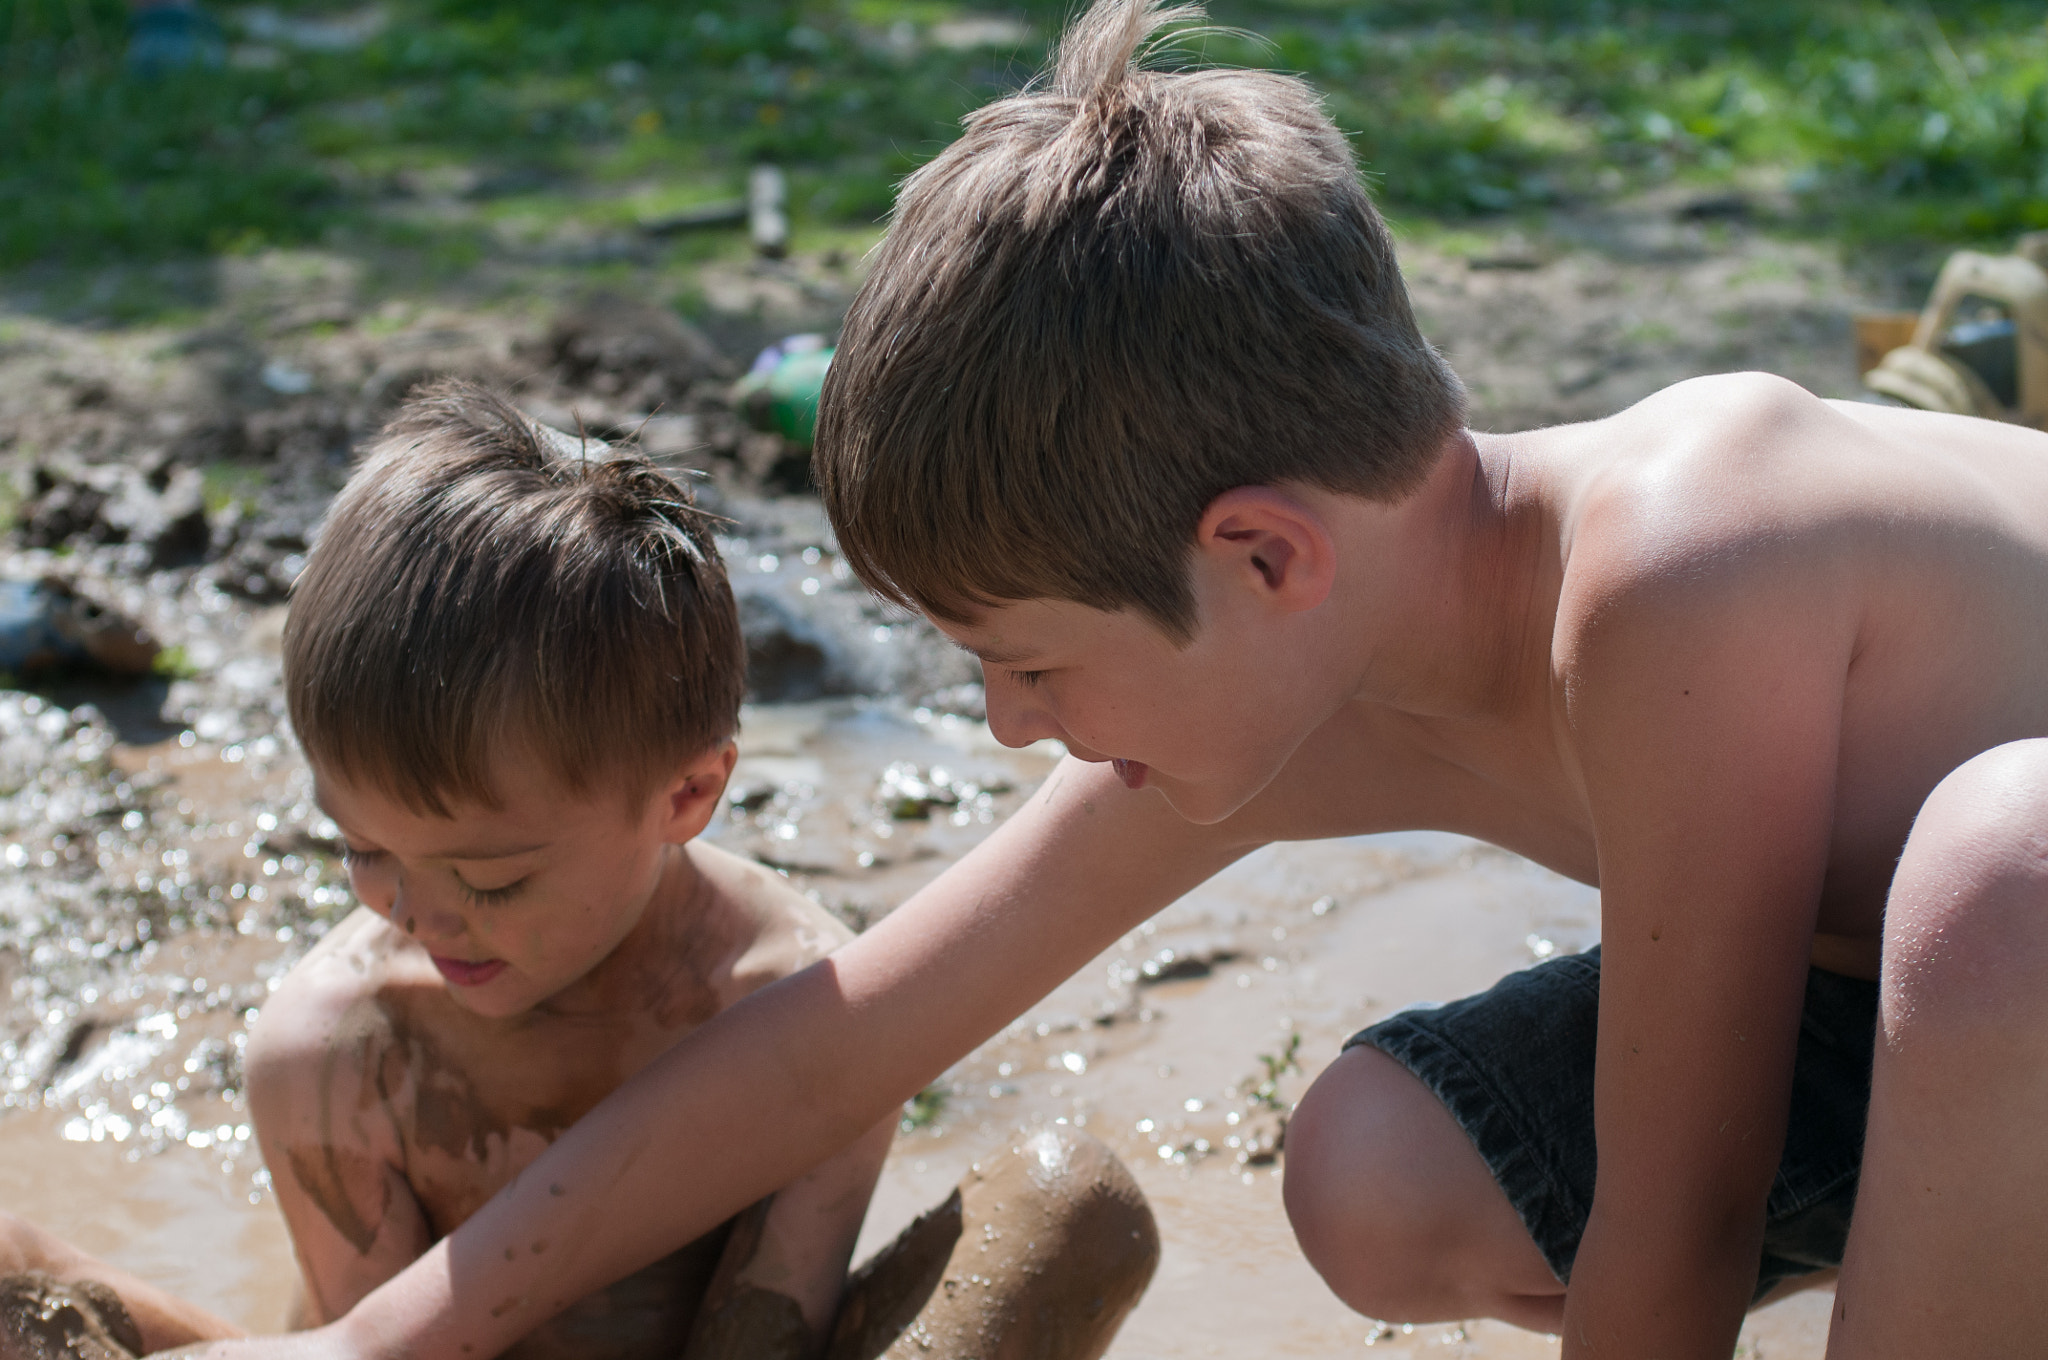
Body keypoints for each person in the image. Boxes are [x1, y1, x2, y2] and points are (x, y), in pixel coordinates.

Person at [145, 0, 2048, 1356]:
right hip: (1935, 1031)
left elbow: (1681, 1213)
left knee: (1996, 880)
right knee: (1379, 1173)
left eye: (1027, 661)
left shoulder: (1678, 564)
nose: (1005, 724)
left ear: (1260, 555)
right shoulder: (1325, 662)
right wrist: (375, 1341)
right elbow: (840, 1039)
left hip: (1997, 940)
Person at [0, 382, 1158, 1360]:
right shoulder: (336, 1054)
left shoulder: (808, 1008)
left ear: (685, 796)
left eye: (492, 879)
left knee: (1070, 1204)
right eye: (361, 850)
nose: (419, 916)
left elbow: (759, 1337)